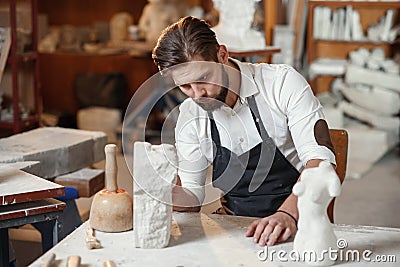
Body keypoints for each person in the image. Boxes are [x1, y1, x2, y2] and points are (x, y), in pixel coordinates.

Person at [152, 16, 336, 246]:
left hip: (299, 219)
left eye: (204, 79)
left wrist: (287, 215)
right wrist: (161, 192)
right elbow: (193, 195)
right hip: (236, 226)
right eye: (186, 86)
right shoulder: (190, 116)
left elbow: (320, 159)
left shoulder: (281, 84)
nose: (197, 94)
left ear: (222, 55)